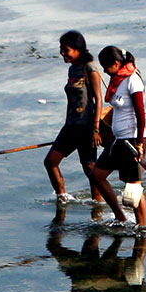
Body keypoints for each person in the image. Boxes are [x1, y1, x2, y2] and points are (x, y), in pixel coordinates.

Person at [86, 45, 146, 226]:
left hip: (134, 140)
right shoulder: (117, 81)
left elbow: (140, 113)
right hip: (119, 140)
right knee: (96, 175)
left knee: (133, 190)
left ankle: (142, 228)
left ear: (116, 63)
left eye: (106, 67)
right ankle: (120, 217)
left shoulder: (132, 80)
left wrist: (139, 144)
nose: (104, 71)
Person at [43, 30, 102, 203]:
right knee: (50, 162)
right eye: (61, 49)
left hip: (87, 127)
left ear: (78, 49)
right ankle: (62, 198)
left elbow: (98, 100)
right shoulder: (72, 70)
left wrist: (96, 129)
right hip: (70, 127)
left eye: (66, 49)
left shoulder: (90, 68)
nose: (62, 53)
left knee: (90, 167)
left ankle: (98, 204)